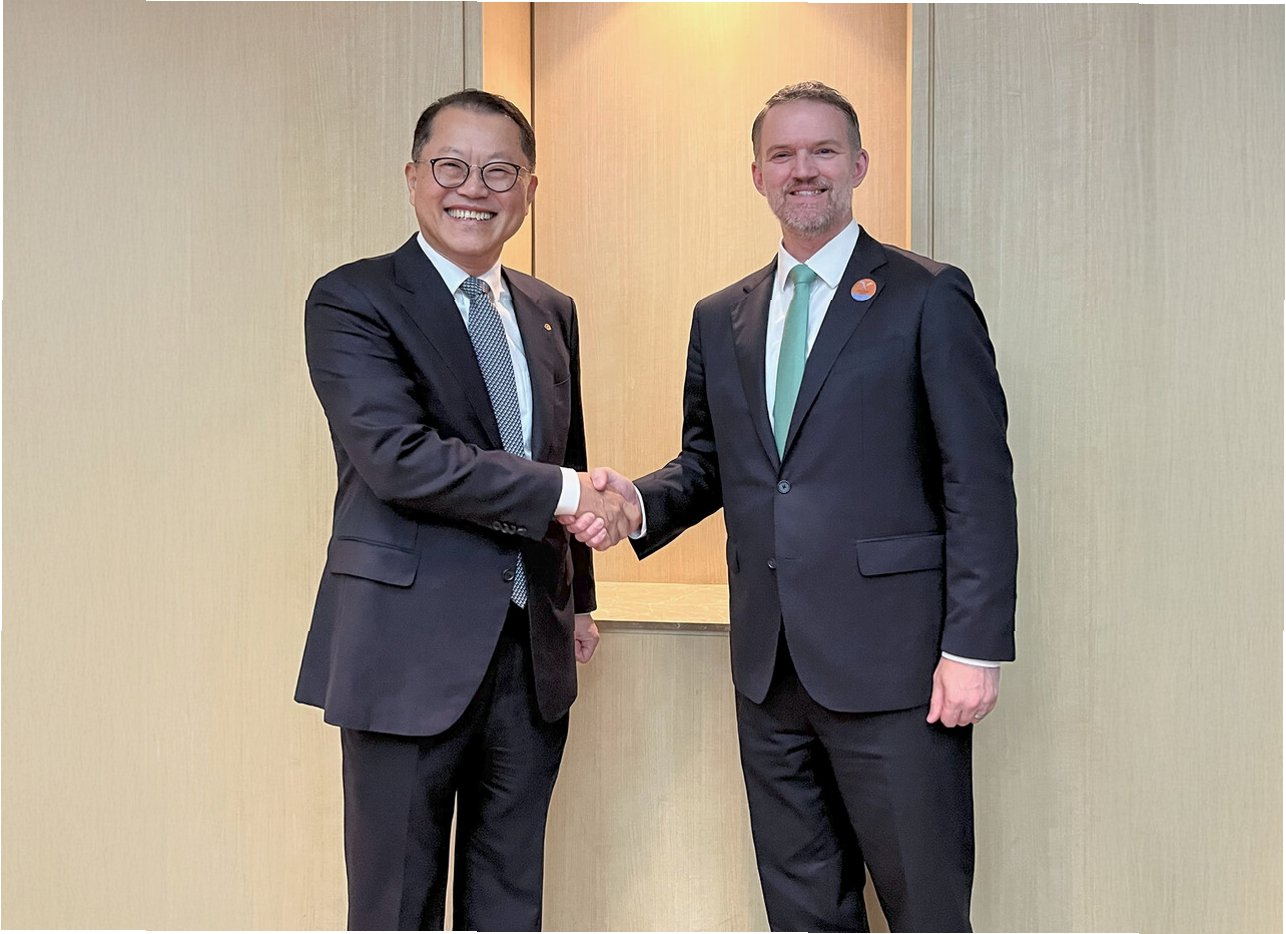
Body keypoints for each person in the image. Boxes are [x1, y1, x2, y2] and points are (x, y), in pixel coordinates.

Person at [565, 81, 1017, 932]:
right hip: (770, 671)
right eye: (782, 155)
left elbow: (979, 481)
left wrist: (973, 647)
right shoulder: (721, 317)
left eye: (822, 151)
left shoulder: (928, 295)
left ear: (859, 165)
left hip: (899, 669)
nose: (802, 170)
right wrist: (636, 504)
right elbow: (712, 463)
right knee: (802, 909)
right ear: (757, 175)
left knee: (926, 907)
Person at [295, 89, 637, 931]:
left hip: (531, 650)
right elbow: (399, 459)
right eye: (451, 167)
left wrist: (579, 599)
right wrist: (571, 493)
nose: (473, 190)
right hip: (404, 652)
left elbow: (563, 449)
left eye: (499, 172)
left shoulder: (550, 312)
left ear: (529, 189)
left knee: (510, 901)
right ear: (414, 176)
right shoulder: (353, 299)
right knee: (395, 905)